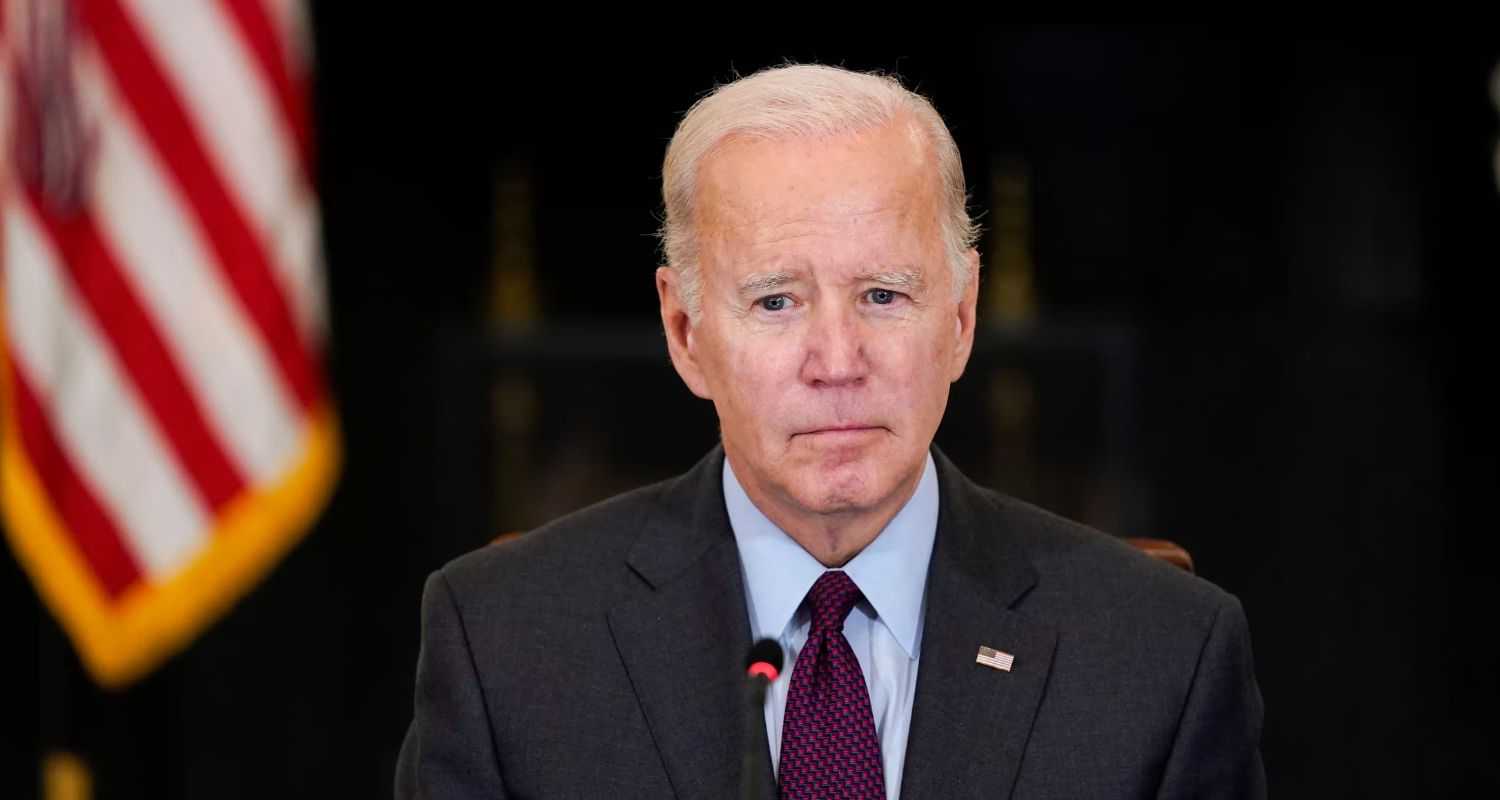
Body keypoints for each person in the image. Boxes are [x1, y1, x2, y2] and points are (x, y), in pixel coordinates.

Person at [395, 63, 1265, 799]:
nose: (837, 359)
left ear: (961, 318)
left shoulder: (1162, 656)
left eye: (883, 296)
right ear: (686, 334)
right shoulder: (506, 645)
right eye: (776, 302)